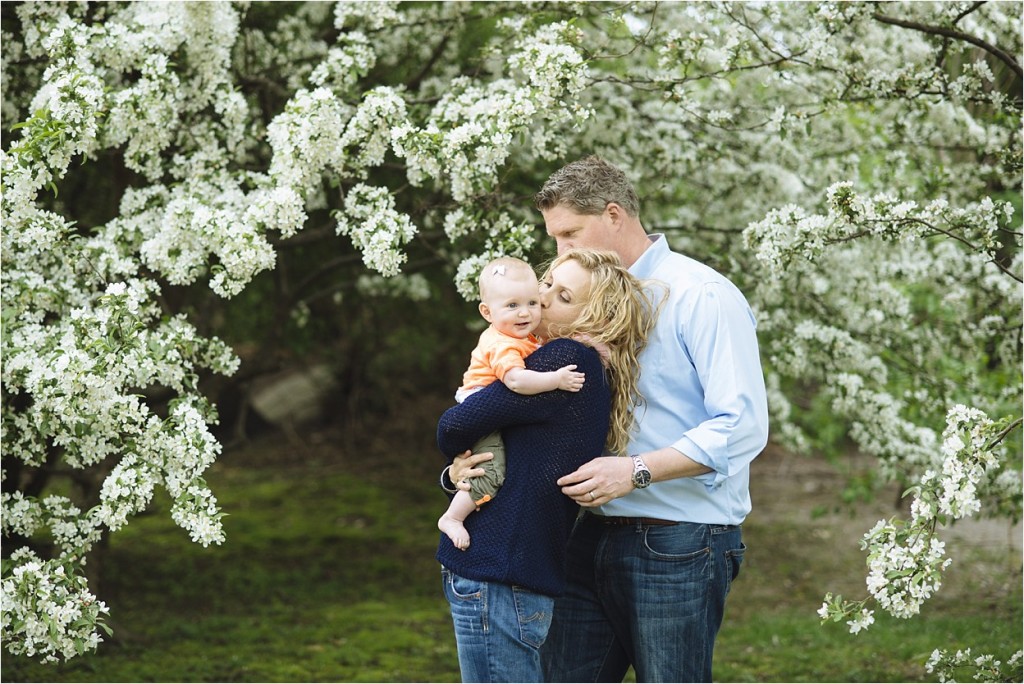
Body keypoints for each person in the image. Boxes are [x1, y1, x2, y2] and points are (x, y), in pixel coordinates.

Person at [452, 155, 770, 682]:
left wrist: (635, 470)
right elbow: (513, 408)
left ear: (614, 214)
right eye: (554, 238)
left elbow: (742, 425)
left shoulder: (702, 295)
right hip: (586, 532)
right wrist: (466, 467)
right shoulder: (563, 308)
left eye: (570, 233)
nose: (560, 252)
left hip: (678, 538)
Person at [436, 249, 657, 683]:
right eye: (548, 283)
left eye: (563, 295)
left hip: (499, 569)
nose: (542, 297)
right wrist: (455, 473)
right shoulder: (581, 362)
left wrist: (456, 454)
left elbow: (454, 424)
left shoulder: (562, 361)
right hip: (518, 569)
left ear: (593, 316)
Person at [437, 255, 585, 551]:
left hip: (487, 406)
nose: (525, 312)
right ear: (486, 312)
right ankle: (453, 517)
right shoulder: (501, 343)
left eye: (531, 302)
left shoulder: (519, 336)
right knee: (491, 470)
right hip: (479, 403)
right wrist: (556, 379)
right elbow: (517, 381)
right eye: (512, 305)